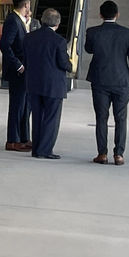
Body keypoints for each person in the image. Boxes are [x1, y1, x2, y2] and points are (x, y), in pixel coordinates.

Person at [84, 0, 129, 166]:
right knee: (121, 118)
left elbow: (88, 49)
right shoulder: (127, 33)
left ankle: (102, 154)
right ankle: (119, 154)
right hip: (122, 81)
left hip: (100, 80)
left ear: (100, 15)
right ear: (117, 14)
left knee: (101, 117)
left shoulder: (93, 32)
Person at [26, 9, 72, 159]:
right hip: (53, 86)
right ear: (58, 24)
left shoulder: (29, 37)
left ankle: (36, 149)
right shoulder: (59, 41)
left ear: (41, 20)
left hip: (34, 83)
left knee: (37, 117)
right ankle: (45, 150)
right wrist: (71, 65)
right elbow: (64, 63)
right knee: (51, 118)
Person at [1, 0, 33, 152]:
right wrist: (18, 65)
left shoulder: (21, 21)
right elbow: (5, 45)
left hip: (25, 71)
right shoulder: (13, 21)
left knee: (25, 105)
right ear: (26, 5)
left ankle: (24, 137)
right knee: (17, 105)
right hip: (18, 71)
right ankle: (13, 140)